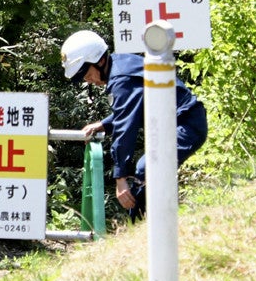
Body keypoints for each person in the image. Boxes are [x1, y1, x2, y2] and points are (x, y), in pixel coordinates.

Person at [60, 30, 207, 220]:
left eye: (87, 75)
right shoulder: (121, 65)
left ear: (99, 61)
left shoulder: (121, 79)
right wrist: (103, 125)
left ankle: (143, 225)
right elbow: (129, 111)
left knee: (146, 169)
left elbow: (125, 129)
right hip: (178, 122)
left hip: (187, 125)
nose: (89, 81)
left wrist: (120, 178)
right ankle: (150, 223)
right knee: (147, 169)